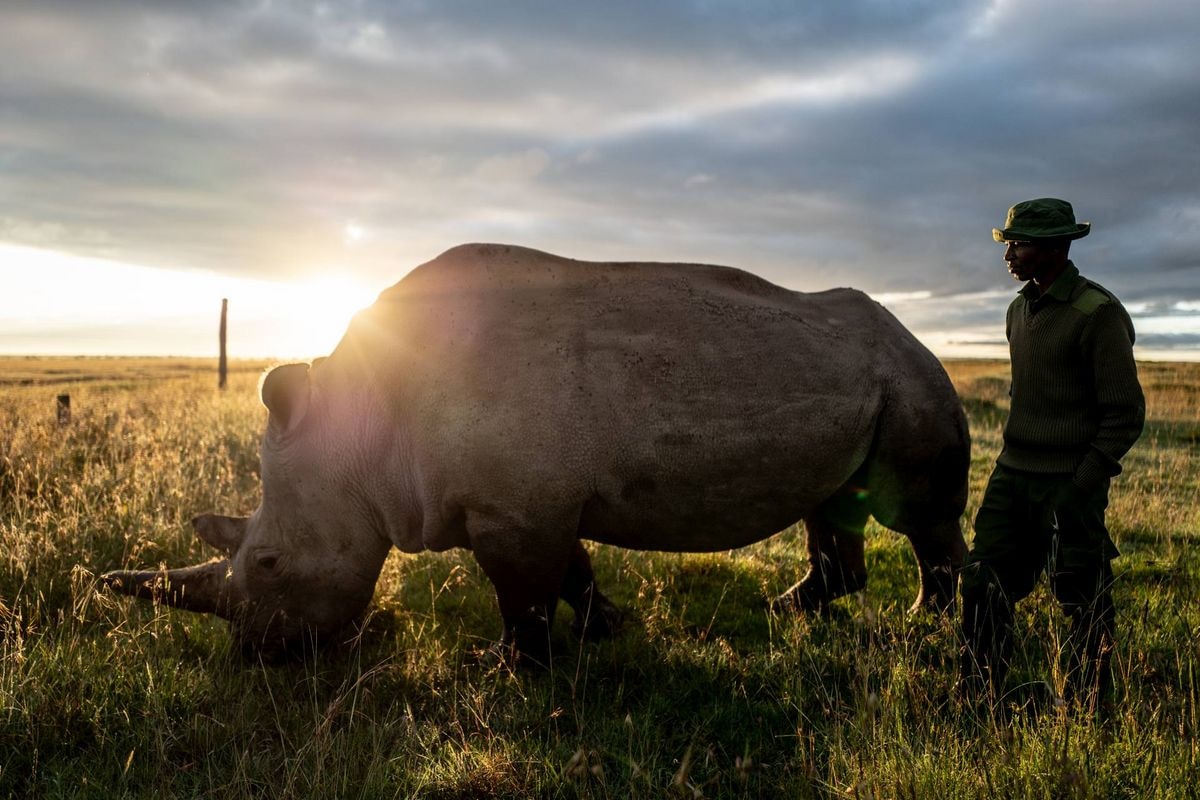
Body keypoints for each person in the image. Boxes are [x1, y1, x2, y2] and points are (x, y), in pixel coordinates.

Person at [959, 198, 1145, 716]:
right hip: (1013, 473)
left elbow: (1125, 414)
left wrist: (1084, 480)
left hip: (1071, 481)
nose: (1008, 254)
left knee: (1081, 595)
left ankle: (1089, 707)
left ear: (1054, 247)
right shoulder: (1017, 310)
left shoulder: (1097, 313)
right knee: (981, 579)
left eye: (1017, 244)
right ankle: (980, 698)